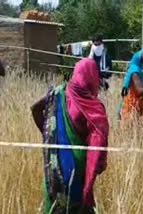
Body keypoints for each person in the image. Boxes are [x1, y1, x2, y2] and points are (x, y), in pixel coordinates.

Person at [31, 58, 109, 214]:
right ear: (92, 76)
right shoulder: (93, 106)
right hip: (77, 168)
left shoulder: (59, 92)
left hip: (55, 165)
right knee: (80, 207)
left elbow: (35, 109)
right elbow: (99, 140)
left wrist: (51, 138)